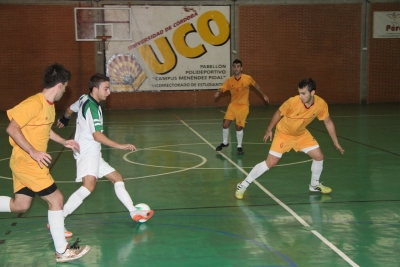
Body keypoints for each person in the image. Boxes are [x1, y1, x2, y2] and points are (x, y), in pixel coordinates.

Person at [0, 63, 90, 262]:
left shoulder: (48, 107)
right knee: (56, 199)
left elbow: (45, 130)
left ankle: (62, 251)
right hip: (29, 163)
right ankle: (62, 251)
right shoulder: (34, 103)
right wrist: (33, 152)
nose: (65, 90)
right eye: (65, 86)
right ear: (59, 85)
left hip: (23, 163)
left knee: (20, 205)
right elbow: (12, 128)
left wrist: (64, 141)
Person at [56, 73, 154, 237]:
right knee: (89, 187)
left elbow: (69, 109)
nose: (109, 92)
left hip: (92, 151)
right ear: (95, 89)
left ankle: (133, 212)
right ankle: (58, 220)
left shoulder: (83, 99)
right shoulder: (93, 109)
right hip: (87, 152)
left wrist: (65, 119)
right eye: (106, 89)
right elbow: (97, 135)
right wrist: (119, 145)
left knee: (117, 178)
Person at [235, 78, 344, 199]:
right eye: (299, 93)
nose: (300, 96)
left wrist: (336, 141)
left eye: (303, 93)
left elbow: (328, 122)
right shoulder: (292, 102)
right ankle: (243, 185)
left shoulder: (321, 104)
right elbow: (278, 113)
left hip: (301, 134)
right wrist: (269, 129)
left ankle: (314, 185)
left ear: (313, 93)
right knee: (270, 163)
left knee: (319, 157)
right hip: (283, 134)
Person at [214, 59, 269, 155]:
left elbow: (256, 86)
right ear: (232, 68)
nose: (236, 68)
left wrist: (263, 95)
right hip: (232, 105)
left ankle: (239, 146)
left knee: (238, 127)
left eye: (238, 66)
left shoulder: (247, 78)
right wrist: (218, 92)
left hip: (243, 106)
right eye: (234, 66)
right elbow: (222, 88)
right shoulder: (229, 80)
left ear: (241, 68)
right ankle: (225, 142)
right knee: (225, 124)